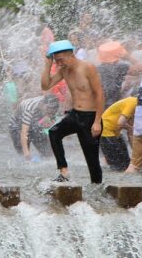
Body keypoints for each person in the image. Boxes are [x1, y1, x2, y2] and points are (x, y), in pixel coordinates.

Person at [42, 40, 104, 183]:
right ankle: (64, 172)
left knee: (92, 160)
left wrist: (97, 121)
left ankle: (97, 188)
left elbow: (99, 94)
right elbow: (45, 85)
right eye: (56, 61)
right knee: (54, 132)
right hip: (75, 114)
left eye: (60, 60)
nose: (59, 63)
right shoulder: (64, 70)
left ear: (71, 55)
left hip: (90, 117)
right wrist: (48, 64)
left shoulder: (87, 67)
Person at [9, 94, 60, 161]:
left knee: (48, 153)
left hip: (33, 124)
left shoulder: (51, 104)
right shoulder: (29, 109)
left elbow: (52, 117)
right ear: (42, 105)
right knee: (23, 155)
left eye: (53, 110)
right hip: (17, 126)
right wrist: (26, 153)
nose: (50, 112)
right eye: (49, 110)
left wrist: (48, 121)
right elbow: (24, 132)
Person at [100, 96, 137, 171]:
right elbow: (120, 122)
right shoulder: (132, 103)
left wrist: (136, 154)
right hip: (105, 131)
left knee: (126, 163)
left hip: (115, 133)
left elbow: (130, 133)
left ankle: (105, 160)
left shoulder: (136, 109)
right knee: (117, 166)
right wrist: (130, 128)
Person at [96, 41, 130, 108]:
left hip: (101, 102)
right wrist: (128, 57)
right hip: (116, 101)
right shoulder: (122, 66)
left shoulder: (98, 68)